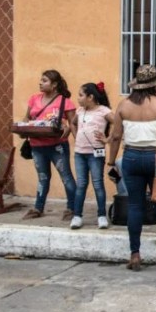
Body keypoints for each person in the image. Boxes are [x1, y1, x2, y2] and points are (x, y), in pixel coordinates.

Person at [107, 65, 156, 271]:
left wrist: (111, 162)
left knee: (135, 206)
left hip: (132, 157)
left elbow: (116, 136)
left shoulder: (124, 105)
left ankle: (135, 255)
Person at [22, 70, 77, 221]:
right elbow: (27, 117)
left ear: (54, 85)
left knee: (66, 177)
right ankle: (38, 208)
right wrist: (24, 126)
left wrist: (69, 130)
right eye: (41, 80)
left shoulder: (65, 101)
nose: (40, 83)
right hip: (36, 145)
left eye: (44, 80)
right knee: (42, 178)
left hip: (57, 146)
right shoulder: (34, 99)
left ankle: (72, 208)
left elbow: (73, 123)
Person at [70, 82, 114, 230]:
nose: (78, 98)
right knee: (81, 184)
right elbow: (72, 124)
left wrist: (107, 139)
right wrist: (76, 137)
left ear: (91, 97)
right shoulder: (80, 111)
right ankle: (77, 216)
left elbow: (118, 123)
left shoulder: (103, 110)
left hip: (96, 154)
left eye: (81, 95)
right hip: (79, 153)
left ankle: (101, 216)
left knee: (97, 184)